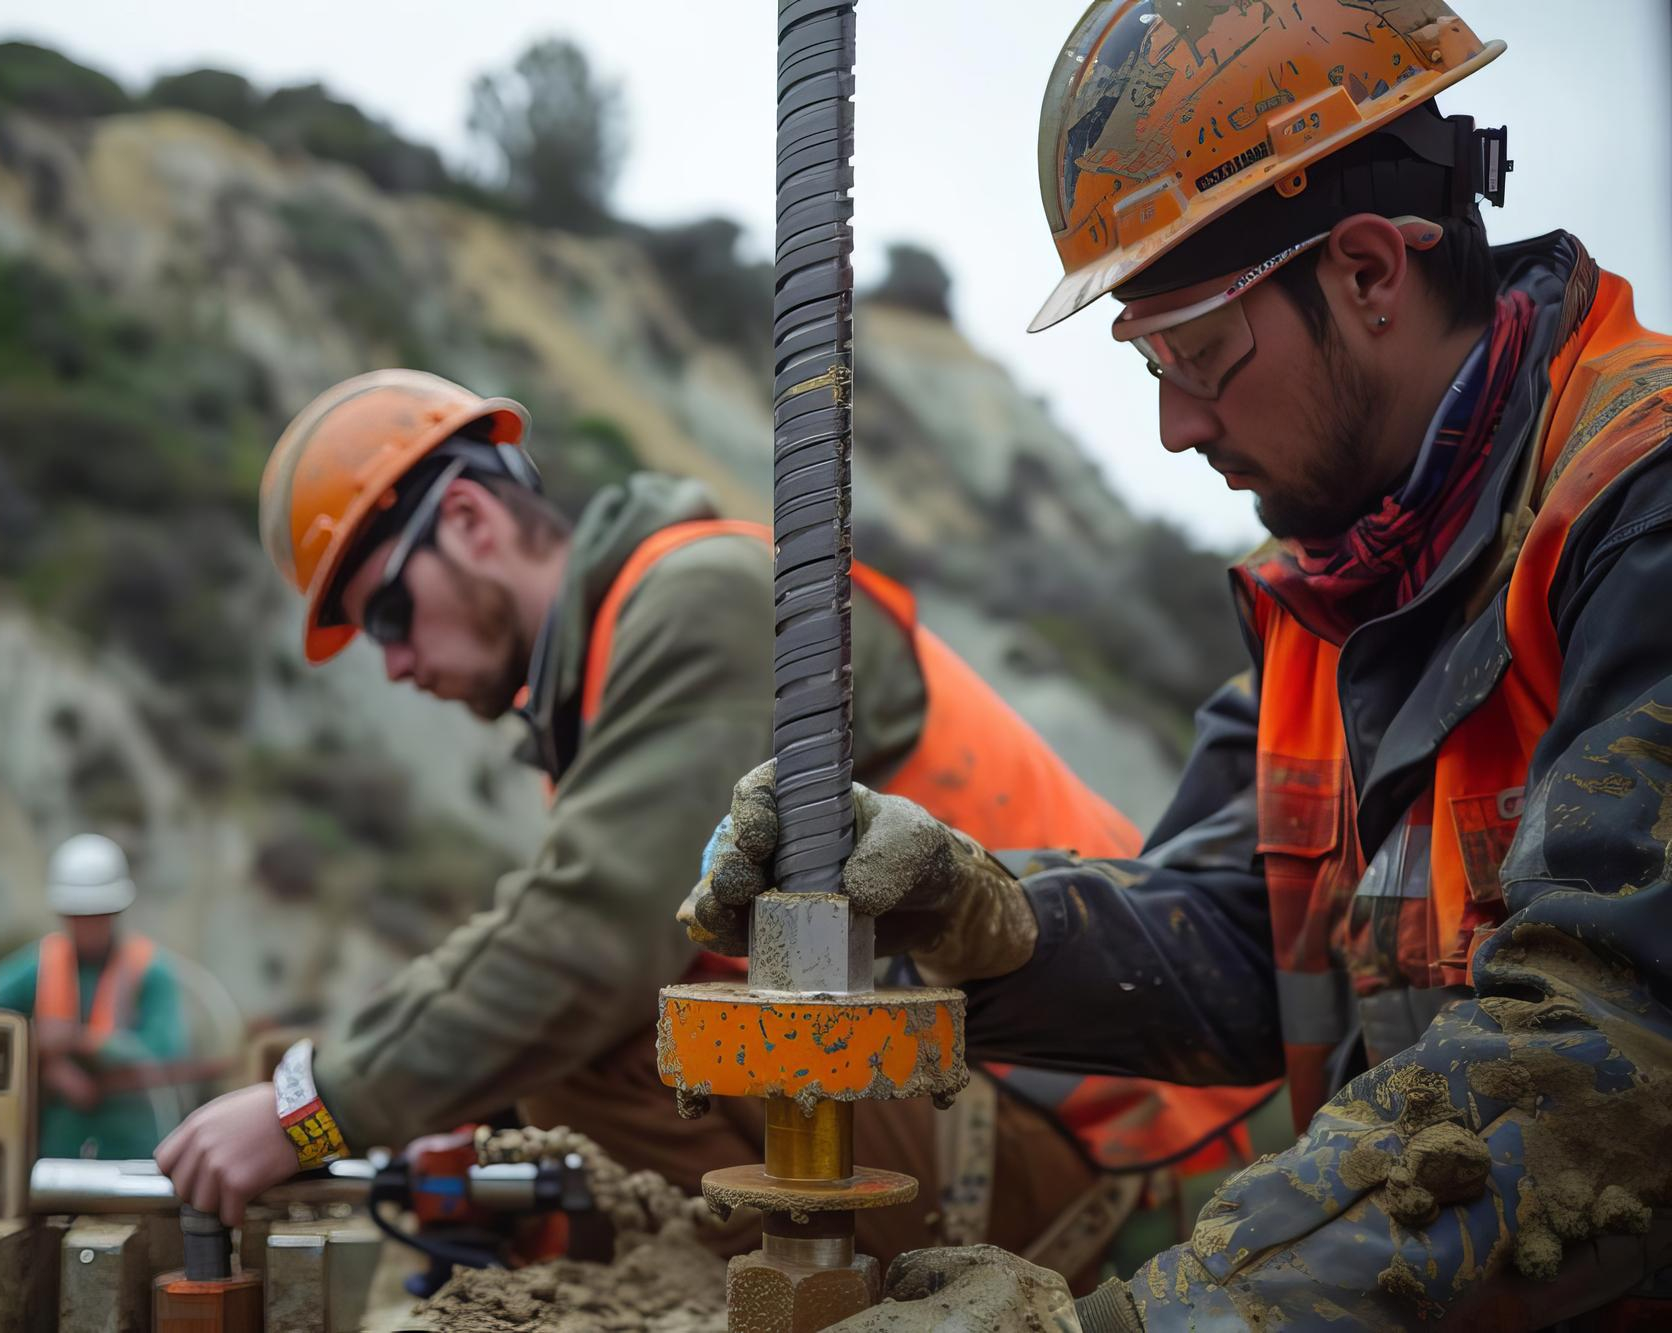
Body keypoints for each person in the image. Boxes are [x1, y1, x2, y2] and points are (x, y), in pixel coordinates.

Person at [683, 1, 1672, 1327]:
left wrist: (1147, 1321)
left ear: (1373, 271)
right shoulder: (1334, 594)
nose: (1172, 422)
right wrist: (973, 912)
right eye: (1148, 359)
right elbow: (1240, 946)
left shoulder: (1633, 512)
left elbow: (1611, 1049)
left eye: (1199, 349)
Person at [154, 369, 1267, 1269]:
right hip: (980, 1094)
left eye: (387, 612)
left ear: (468, 519)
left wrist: (311, 1106)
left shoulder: (697, 602)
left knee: (586, 1028)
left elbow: (582, 948)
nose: (393, 662)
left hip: (1104, 1128)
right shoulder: (605, 695)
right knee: (536, 1065)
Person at [0, 833, 187, 1160]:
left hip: (136, 1143)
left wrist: (80, 1041)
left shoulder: (150, 968)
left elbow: (165, 1052)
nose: (88, 925)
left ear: (117, 911)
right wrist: (49, 1064)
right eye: (78, 915)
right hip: (59, 1146)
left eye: (98, 914)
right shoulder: (42, 963)